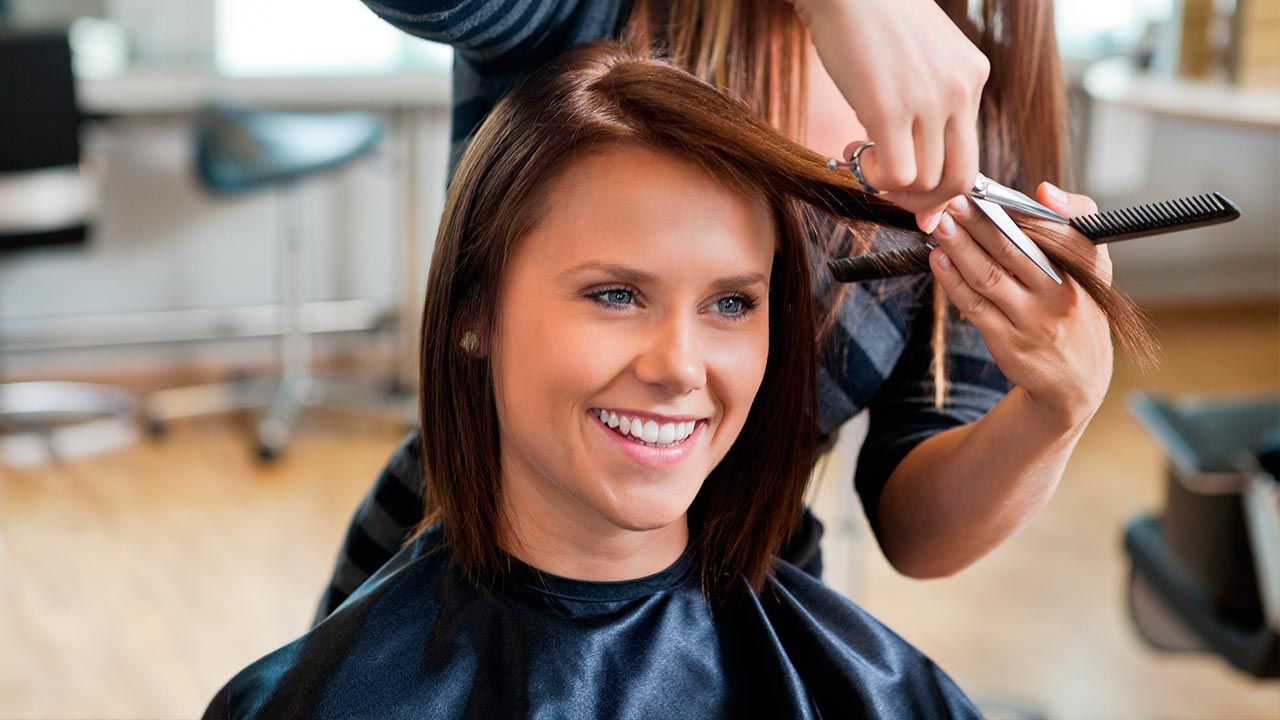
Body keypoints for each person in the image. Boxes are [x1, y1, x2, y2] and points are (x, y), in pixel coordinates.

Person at [204, 42, 1149, 719]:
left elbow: (919, 514)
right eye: (616, 293)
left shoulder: (860, 685)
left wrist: (1055, 408)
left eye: (735, 304)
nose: (680, 364)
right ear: (473, 312)